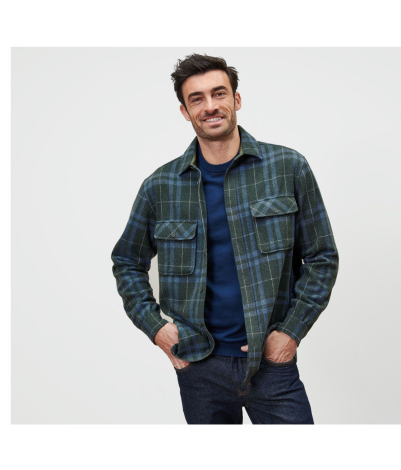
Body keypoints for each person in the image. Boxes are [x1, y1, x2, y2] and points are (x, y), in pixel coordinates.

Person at [111, 53, 339, 424]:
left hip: (270, 364)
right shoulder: (160, 186)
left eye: (219, 93)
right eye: (196, 98)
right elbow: (127, 262)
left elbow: (322, 257)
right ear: (185, 111)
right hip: (200, 368)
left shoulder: (288, 168)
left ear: (237, 99)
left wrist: (290, 333)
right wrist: (157, 329)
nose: (210, 106)